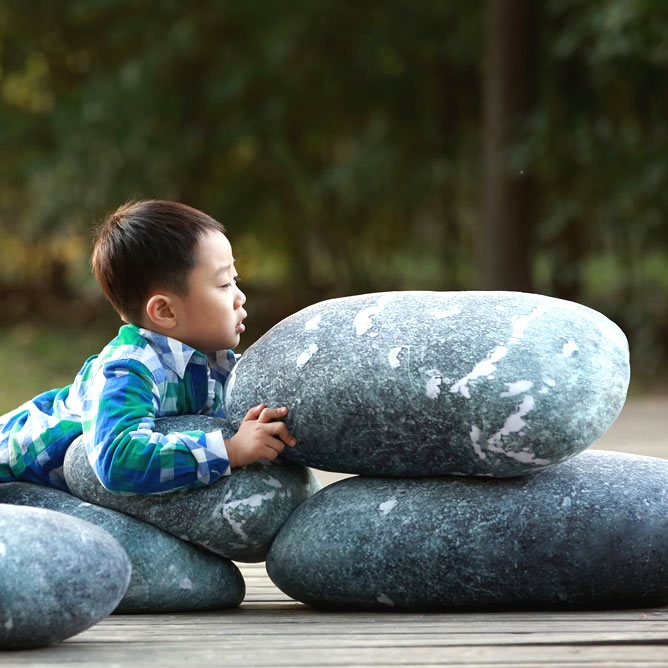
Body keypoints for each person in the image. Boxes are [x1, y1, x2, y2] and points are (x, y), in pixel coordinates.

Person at [0, 200, 296, 494]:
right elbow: (119, 460)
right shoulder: (128, 367)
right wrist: (230, 450)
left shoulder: (214, 360)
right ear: (165, 312)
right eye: (223, 285)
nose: (240, 297)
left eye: (236, 279)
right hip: (15, 462)